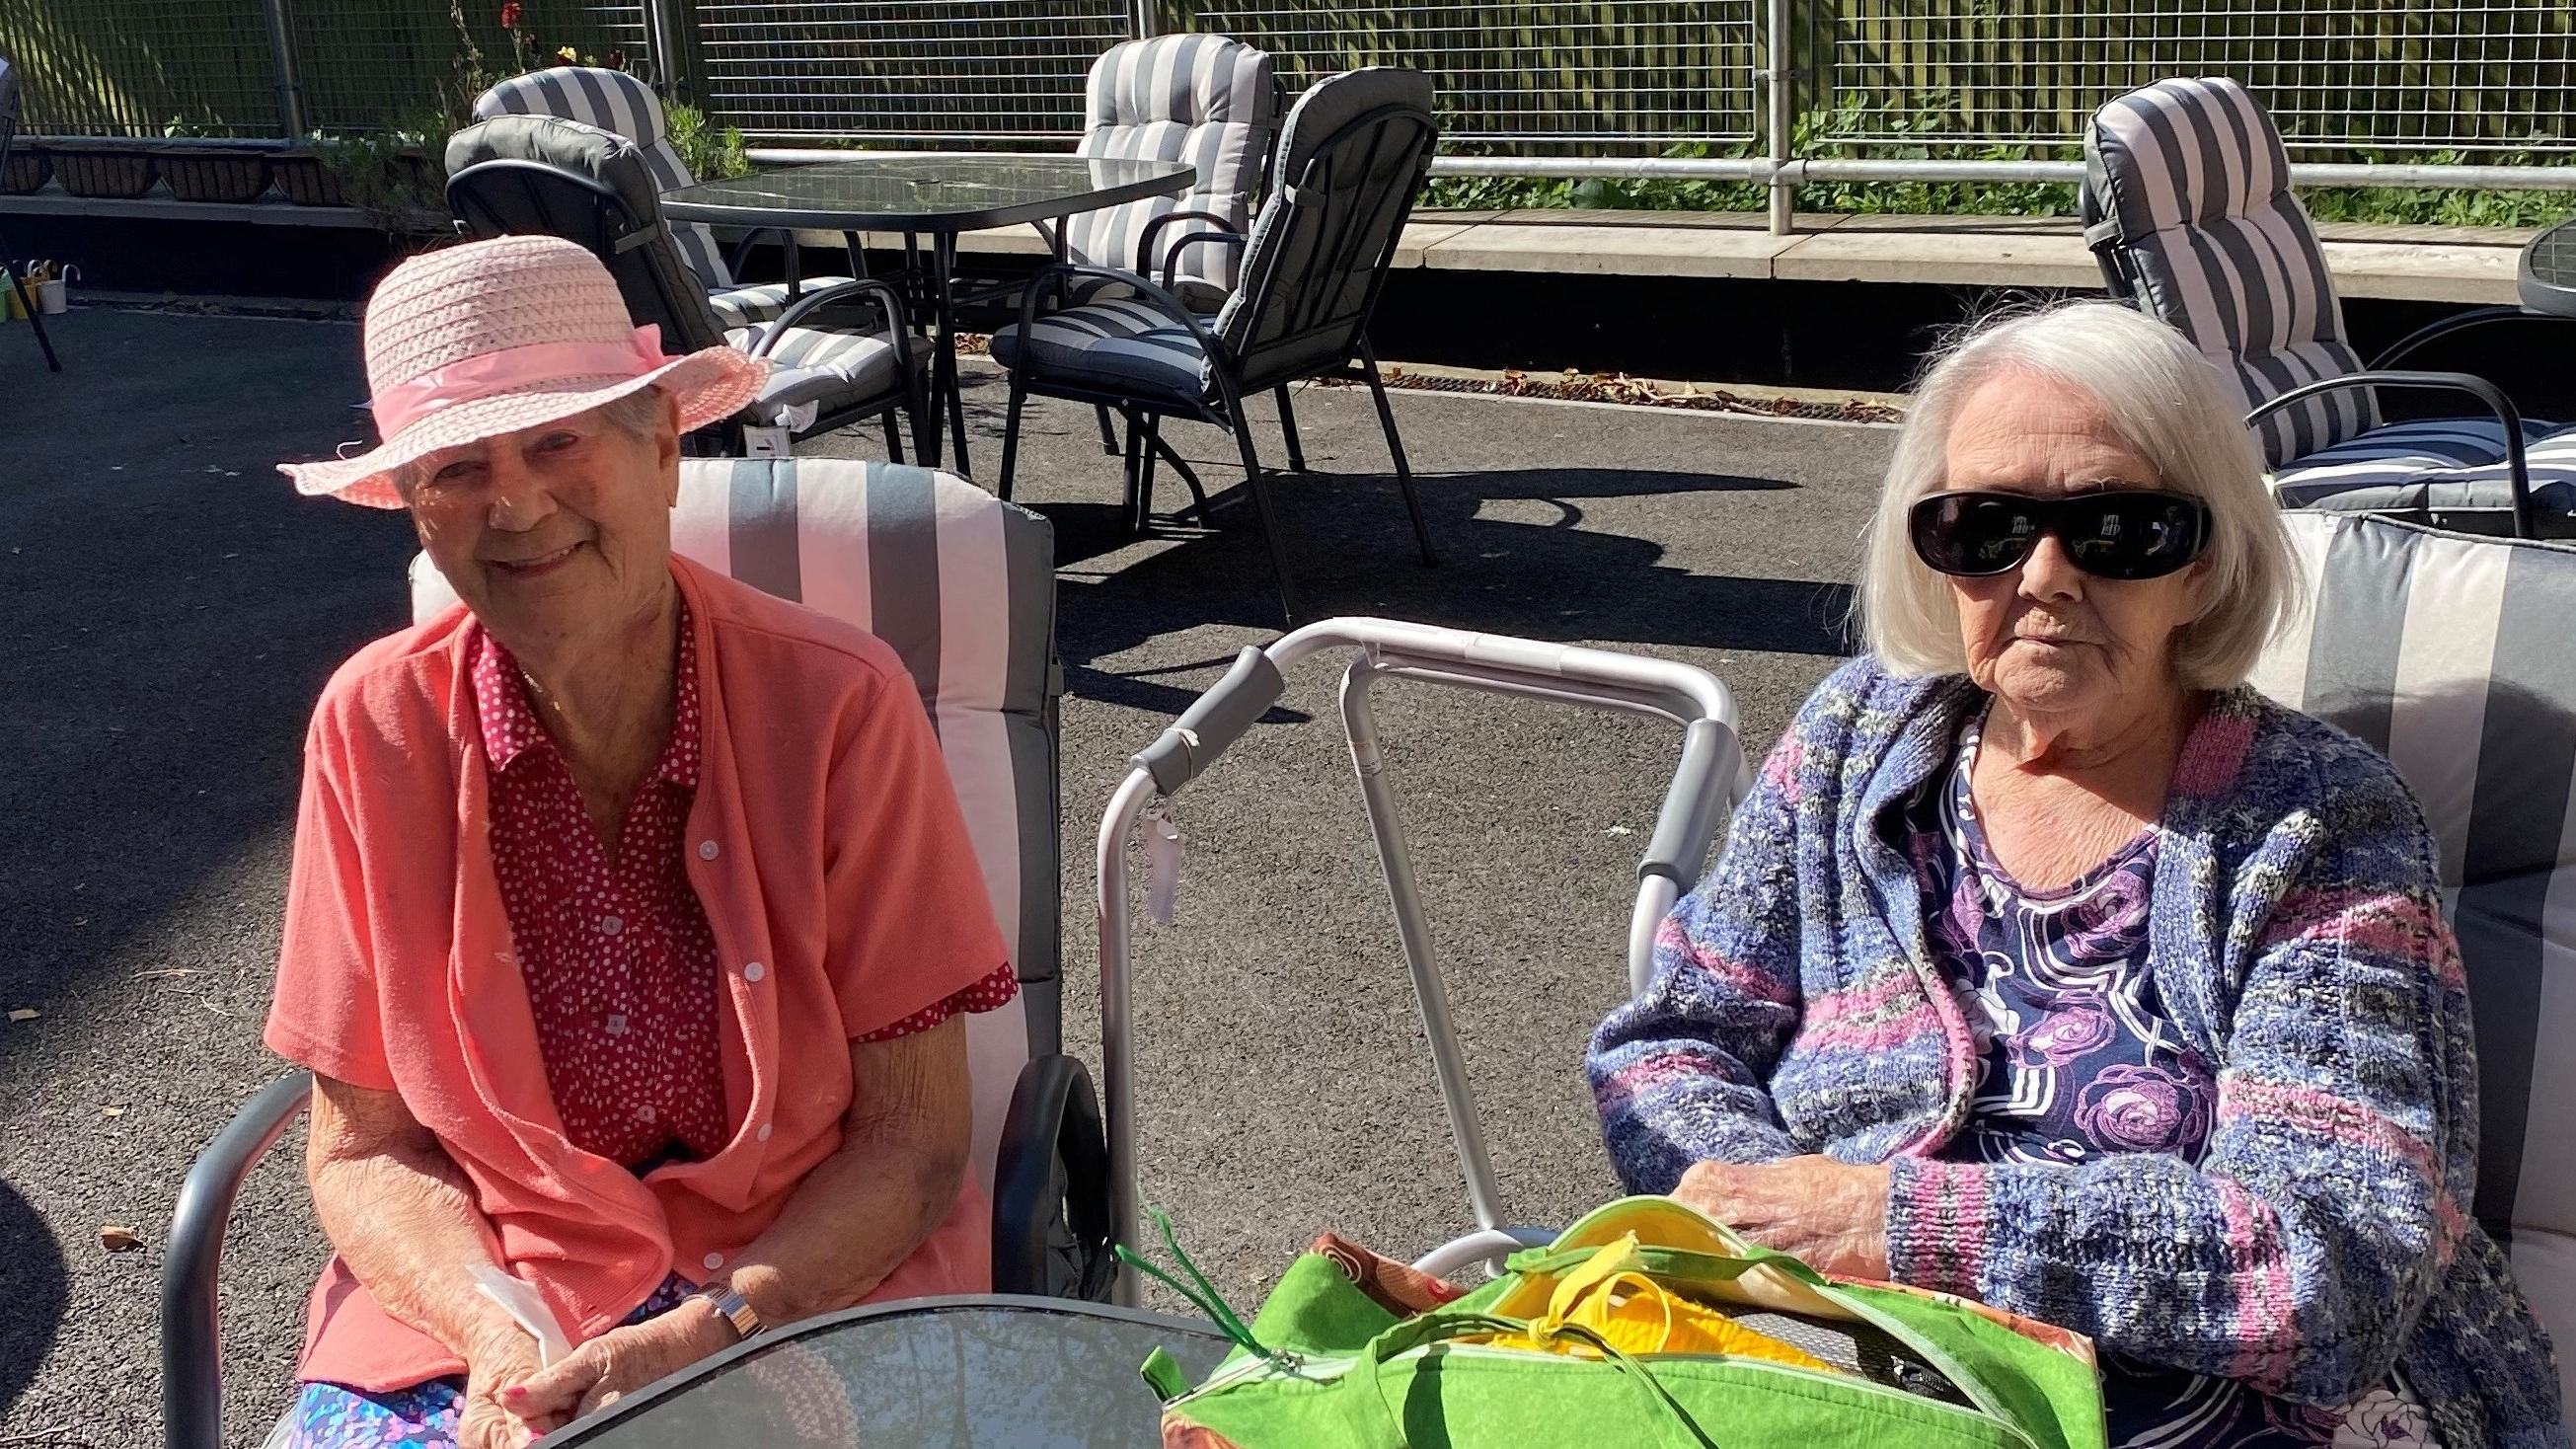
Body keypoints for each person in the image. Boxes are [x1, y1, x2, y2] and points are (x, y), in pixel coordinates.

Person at [1589, 301, 2564, 1448]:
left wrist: (1892, 1224)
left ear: (2205, 563)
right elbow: (1672, 1038)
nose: (2043, 576)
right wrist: (1766, 1222)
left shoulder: (2319, 821)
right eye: (1984, 526)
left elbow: (2334, 1257)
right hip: (1852, 1369)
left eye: (2119, 527)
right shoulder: (1855, 738)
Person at [265, 235, 1018, 1449]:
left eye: (557, 440)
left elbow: (913, 1136)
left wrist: (713, 1328)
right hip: (491, 1299)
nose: (513, 502)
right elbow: (363, 1148)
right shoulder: (373, 728)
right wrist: (496, 1339)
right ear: (416, 512)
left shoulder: (840, 704)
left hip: (798, 1282)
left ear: (662, 448)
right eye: (457, 467)